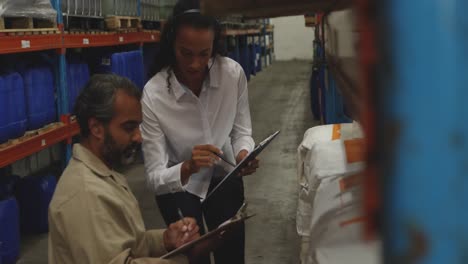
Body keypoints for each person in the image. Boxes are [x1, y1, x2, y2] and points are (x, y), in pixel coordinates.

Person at [141, 1, 259, 263]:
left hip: (224, 179)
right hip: (179, 188)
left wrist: (243, 154)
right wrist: (188, 166)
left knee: (232, 256)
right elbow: (153, 177)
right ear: (171, 44)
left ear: (214, 46)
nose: (195, 64)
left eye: (204, 53)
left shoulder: (232, 74)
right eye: (186, 53)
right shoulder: (154, 94)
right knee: (196, 257)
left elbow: (242, 131)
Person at [48, 74, 206, 264]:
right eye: (129, 127)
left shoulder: (104, 175)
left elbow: (127, 243)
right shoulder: (86, 194)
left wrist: (166, 239)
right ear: (96, 128)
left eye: (138, 127)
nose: (139, 137)